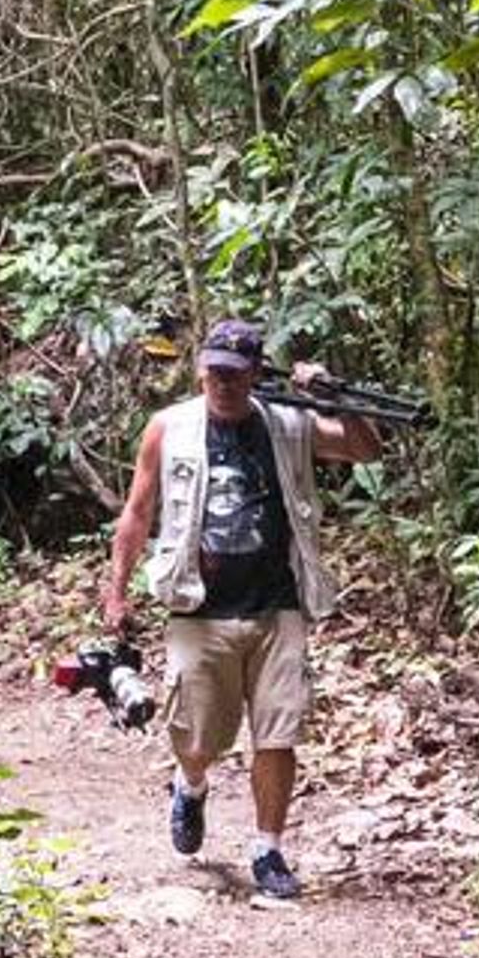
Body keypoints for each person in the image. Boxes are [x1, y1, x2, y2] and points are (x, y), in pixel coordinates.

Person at [98, 317, 387, 903]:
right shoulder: (169, 427)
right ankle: (192, 783)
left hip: (277, 601)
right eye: (214, 372)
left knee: (278, 733)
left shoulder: (288, 424)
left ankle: (267, 847)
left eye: (234, 374)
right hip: (199, 605)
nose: (222, 384)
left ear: (256, 373)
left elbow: (364, 450)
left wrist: (337, 400)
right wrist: (117, 589)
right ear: (201, 369)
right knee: (198, 736)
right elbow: (137, 510)